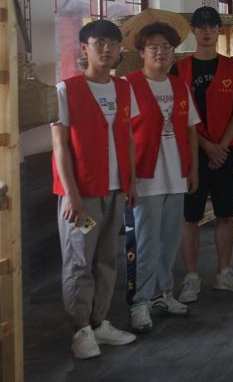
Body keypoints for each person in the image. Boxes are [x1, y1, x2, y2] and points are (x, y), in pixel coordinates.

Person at [52, 19, 138, 359]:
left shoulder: (123, 89)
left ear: (119, 51)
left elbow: (128, 138)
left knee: (107, 259)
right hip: (82, 193)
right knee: (78, 261)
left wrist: (130, 182)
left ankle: (99, 321)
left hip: (115, 190)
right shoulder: (66, 89)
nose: (106, 48)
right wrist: (71, 194)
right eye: (98, 42)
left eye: (112, 43)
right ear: (84, 48)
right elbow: (59, 146)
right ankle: (80, 330)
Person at [172, 6, 233, 302]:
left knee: (226, 213)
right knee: (190, 216)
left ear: (219, 31)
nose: (206, 32)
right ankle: (191, 276)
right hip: (193, 153)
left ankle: (224, 272)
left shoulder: (231, 67)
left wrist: (221, 146)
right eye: (201, 27)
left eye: (212, 27)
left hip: (225, 152)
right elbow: (177, 116)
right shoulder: (178, 69)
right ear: (193, 31)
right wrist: (207, 147)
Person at [124, 22, 200, 333]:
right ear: (141, 52)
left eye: (166, 47)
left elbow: (191, 129)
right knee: (145, 242)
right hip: (145, 177)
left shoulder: (179, 86)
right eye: (153, 47)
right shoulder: (128, 85)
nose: (161, 52)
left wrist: (193, 169)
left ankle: (162, 293)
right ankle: (139, 302)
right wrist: (129, 179)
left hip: (175, 174)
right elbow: (123, 135)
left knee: (169, 239)